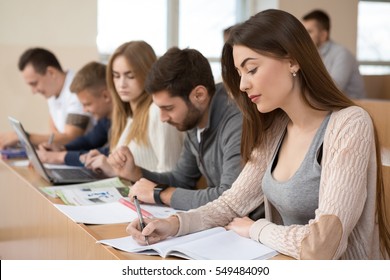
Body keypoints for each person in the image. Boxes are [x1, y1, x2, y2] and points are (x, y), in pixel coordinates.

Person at [126, 9, 390, 260]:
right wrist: (173, 225)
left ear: (293, 60)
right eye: (240, 74)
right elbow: (230, 205)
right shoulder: (275, 129)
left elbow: (322, 246)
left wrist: (256, 229)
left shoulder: (350, 124)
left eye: (251, 69)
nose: (243, 85)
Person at [108, 47, 245, 212]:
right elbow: (180, 180)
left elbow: (229, 197)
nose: (162, 118)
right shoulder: (195, 119)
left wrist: (162, 194)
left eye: (169, 108)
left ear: (199, 95)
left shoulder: (237, 120)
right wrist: (136, 173)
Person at [83, 41, 183, 175]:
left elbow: (172, 175)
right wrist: (106, 161)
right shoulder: (129, 116)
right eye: (116, 76)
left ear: (147, 74)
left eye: (130, 76)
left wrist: (114, 171)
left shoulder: (157, 112)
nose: (121, 84)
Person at [0, 48, 92, 149]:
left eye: (34, 83)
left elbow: (71, 137)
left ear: (51, 72)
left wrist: (23, 136)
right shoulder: (52, 92)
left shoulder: (76, 90)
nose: (33, 91)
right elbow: (53, 135)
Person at [37, 61, 112, 166]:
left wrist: (60, 157)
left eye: (87, 104)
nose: (85, 110)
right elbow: (89, 141)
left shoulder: (126, 118)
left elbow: (109, 154)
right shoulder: (106, 120)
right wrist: (63, 148)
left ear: (105, 96)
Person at [302, 9, 366, 99]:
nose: (304, 36)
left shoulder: (342, 54)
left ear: (323, 35)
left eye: (309, 31)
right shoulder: (313, 54)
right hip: (329, 106)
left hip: (352, 108)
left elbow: (333, 89)